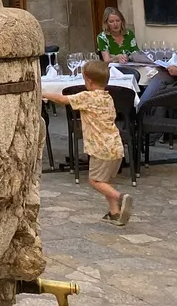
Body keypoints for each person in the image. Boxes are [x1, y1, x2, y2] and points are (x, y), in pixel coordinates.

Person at [52, 60, 133, 225]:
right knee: (106, 181)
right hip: (116, 147)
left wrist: (42, 94)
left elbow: (62, 100)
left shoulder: (87, 97)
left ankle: (121, 198)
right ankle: (114, 213)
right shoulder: (108, 97)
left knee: (95, 181)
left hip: (100, 148)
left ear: (88, 80)